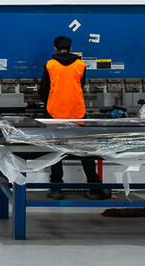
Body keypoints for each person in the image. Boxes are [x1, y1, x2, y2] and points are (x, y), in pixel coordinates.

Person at [40, 35, 109, 200]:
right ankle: (94, 187)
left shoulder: (50, 65)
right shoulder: (80, 64)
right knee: (84, 151)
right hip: (77, 113)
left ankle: (56, 188)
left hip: (55, 114)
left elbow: (44, 89)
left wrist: (51, 103)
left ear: (55, 48)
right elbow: (81, 86)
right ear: (71, 48)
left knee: (57, 151)